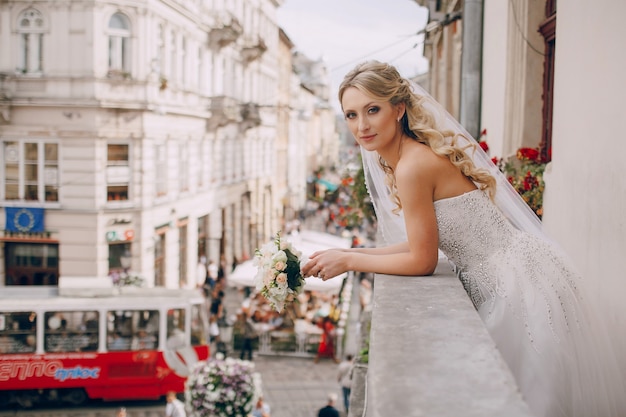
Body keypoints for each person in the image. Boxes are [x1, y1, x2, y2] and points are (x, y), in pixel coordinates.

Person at [301, 60, 626, 417]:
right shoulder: (405, 157)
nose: (361, 126)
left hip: (514, 284)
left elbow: (423, 261)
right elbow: (418, 241)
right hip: (519, 267)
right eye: (350, 115)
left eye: (372, 110)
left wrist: (349, 261)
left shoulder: (412, 166)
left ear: (398, 109)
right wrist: (349, 250)